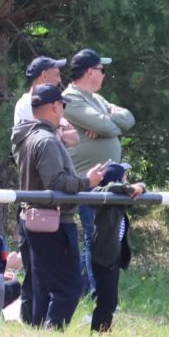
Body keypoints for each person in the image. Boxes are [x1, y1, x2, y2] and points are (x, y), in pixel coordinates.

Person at [11, 82, 109, 329]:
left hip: (35, 220)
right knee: (69, 288)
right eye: (63, 105)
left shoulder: (28, 136)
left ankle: (42, 335)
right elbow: (56, 182)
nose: (63, 111)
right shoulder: (46, 140)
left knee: (44, 287)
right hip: (53, 223)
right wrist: (88, 181)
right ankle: (53, 331)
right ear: (55, 106)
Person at [64, 49, 134, 296]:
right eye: (102, 70)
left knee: (107, 236)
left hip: (107, 182)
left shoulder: (97, 99)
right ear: (90, 72)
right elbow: (106, 124)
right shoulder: (71, 98)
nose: (105, 75)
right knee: (94, 238)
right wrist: (105, 124)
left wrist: (105, 123)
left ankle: (91, 291)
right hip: (88, 181)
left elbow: (128, 118)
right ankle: (94, 293)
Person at [12, 56, 74, 324]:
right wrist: (87, 183)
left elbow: (73, 136)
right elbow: (51, 162)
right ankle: (39, 324)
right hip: (44, 211)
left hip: (38, 210)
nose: (60, 77)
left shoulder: (41, 119)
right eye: (55, 73)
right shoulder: (29, 107)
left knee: (38, 272)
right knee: (52, 280)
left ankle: (35, 324)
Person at [86, 172, 144, 332]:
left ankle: (105, 329)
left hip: (114, 257)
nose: (128, 182)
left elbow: (142, 188)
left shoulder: (120, 200)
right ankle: (99, 331)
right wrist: (129, 187)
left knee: (111, 300)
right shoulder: (104, 198)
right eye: (124, 178)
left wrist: (139, 188)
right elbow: (106, 189)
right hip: (103, 257)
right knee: (106, 300)